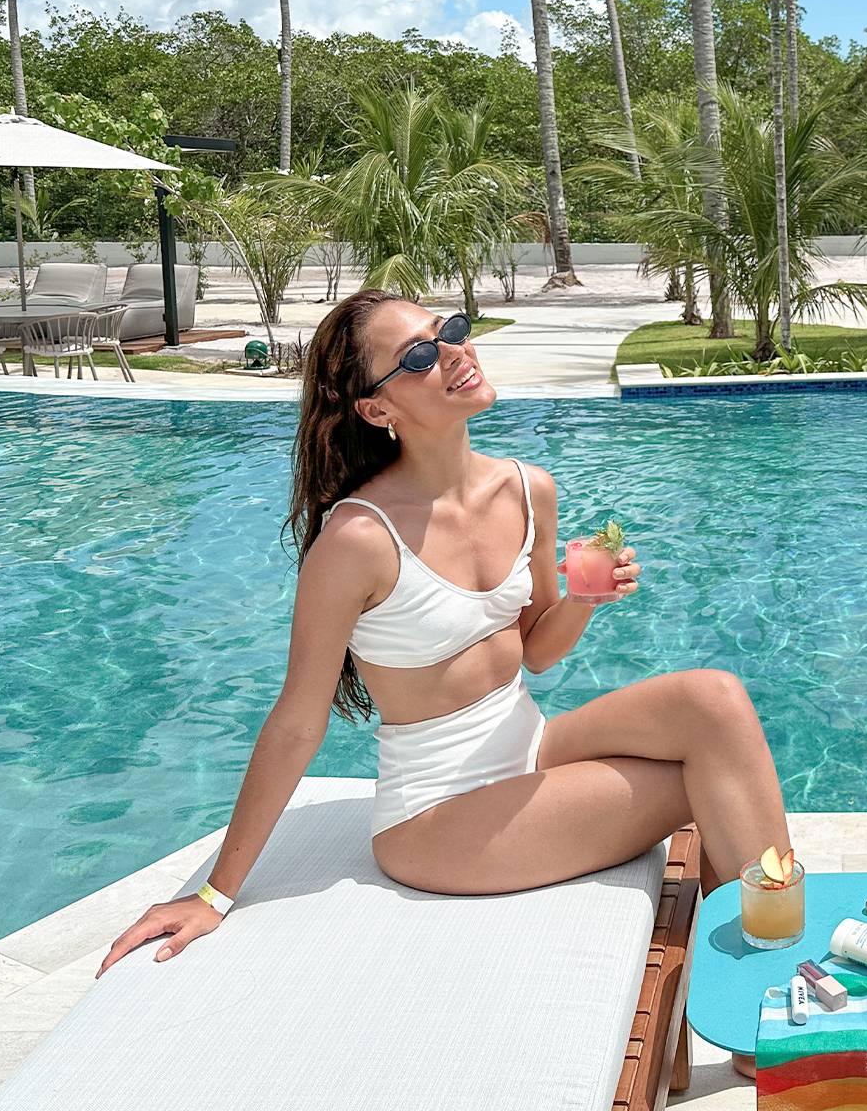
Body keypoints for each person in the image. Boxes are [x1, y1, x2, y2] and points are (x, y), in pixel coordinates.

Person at [100, 288, 791, 981]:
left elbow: (536, 655)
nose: (455, 353)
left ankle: (765, 983)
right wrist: (214, 894)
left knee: (714, 700)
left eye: (451, 330)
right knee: (719, 791)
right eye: (420, 356)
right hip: (436, 819)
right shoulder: (359, 540)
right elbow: (295, 724)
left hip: (531, 746)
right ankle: (770, 994)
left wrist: (583, 597)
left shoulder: (528, 489)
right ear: (377, 410)